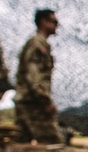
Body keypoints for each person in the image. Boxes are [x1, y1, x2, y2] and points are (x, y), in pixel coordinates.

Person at [15, 9, 63, 144]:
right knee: (54, 145)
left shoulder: (40, 44)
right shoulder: (37, 44)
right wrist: (45, 101)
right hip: (33, 103)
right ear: (43, 22)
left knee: (21, 145)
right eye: (54, 22)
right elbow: (33, 76)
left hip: (27, 101)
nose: (57, 26)